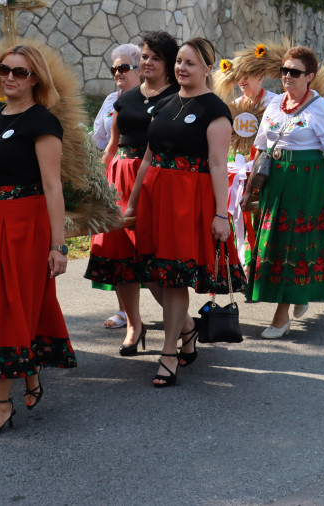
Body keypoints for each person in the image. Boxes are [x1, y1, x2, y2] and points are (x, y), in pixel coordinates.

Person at [0, 43, 77, 437]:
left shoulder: (42, 122)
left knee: (6, 310)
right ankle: (28, 371)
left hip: (22, 227)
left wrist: (57, 245)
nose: (10, 77)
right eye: (4, 69)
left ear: (36, 79)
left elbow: (52, 186)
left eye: (21, 72)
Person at [125, 37, 244, 387]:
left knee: (175, 278)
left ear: (207, 68)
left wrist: (221, 214)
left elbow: (218, 164)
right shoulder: (165, 103)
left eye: (190, 63)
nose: (181, 68)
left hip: (188, 201)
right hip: (155, 198)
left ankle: (168, 354)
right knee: (148, 273)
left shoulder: (215, 110)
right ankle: (188, 328)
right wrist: (132, 202)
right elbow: (147, 156)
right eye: (178, 61)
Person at [246, 46, 324, 338]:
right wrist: (249, 189)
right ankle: (298, 292)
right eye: (284, 70)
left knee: (292, 243)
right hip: (276, 181)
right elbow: (260, 147)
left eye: (294, 72)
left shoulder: (320, 108)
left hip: (306, 183)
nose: (287, 76)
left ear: (309, 76)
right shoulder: (275, 104)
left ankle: (281, 317)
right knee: (274, 239)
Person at [88, 31, 179, 355]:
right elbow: (111, 146)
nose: (146, 62)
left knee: (151, 261)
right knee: (118, 260)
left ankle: (183, 327)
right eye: (144, 56)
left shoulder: (173, 98)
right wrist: (95, 187)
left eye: (155, 57)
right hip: (117, 179)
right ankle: (134, 325)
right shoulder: (122, 99)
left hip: (150, 181)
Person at [88, 43, 141, 330]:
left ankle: (175, 315)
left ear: (139, 70)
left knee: (142, 244)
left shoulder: (149, 100)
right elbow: (99, 140)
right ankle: (125, 312)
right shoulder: (111, 100)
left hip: (139, 172)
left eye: (124, 67)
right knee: (115, 242)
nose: (118, 73)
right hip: (112, 174)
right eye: (114, 69)